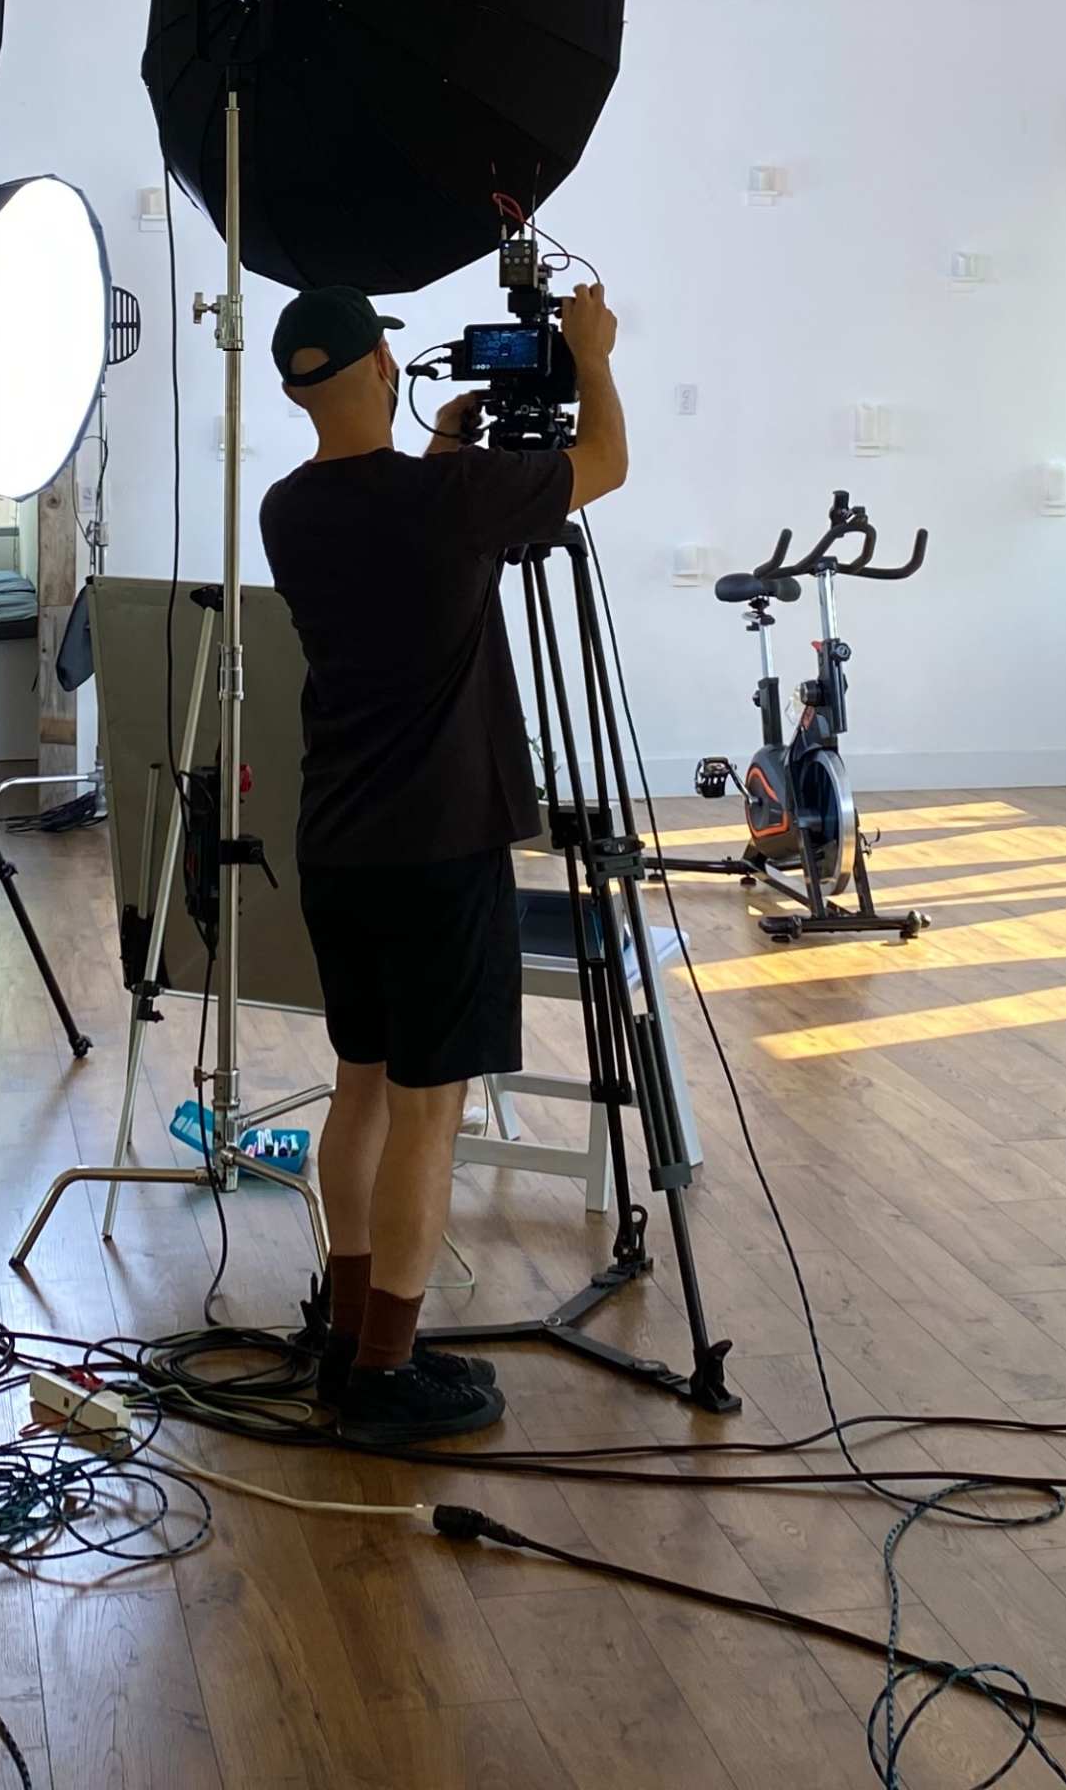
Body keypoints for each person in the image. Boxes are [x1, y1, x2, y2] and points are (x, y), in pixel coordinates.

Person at [254, 277, 627, 1439]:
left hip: (339, 850)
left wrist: (433, 448)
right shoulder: (453, 498)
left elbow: (390, 517)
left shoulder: (289, 509)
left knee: (362, 1086)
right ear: (380, 365)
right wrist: (592, 351)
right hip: (440, 851)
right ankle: (387, 1372)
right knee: (431, 1109)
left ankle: (346, 1330)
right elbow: (604, 463)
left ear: (293, 388)